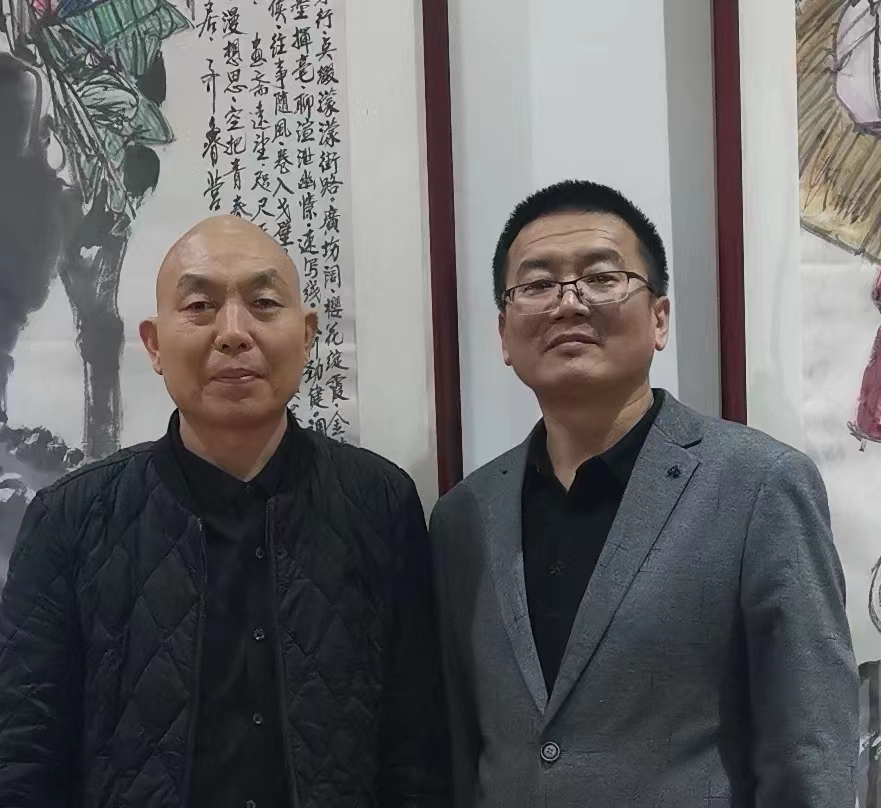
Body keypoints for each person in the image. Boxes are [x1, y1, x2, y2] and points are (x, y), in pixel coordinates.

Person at [429, 180, 859, 807]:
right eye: (538, 284)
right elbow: (462, 748)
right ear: (503, 333)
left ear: (659, 318)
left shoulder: (759, 484)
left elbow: (810, 752)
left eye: (602, 278)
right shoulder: (463, 516)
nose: (568, 303)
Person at [0, 215, 451, 808]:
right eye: (200, 306)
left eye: (264, 304)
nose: (234, 333)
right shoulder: (71, 517)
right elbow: (24, 754)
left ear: (307, 334)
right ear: (154, 344)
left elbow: (415, 750)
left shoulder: (380, 501)